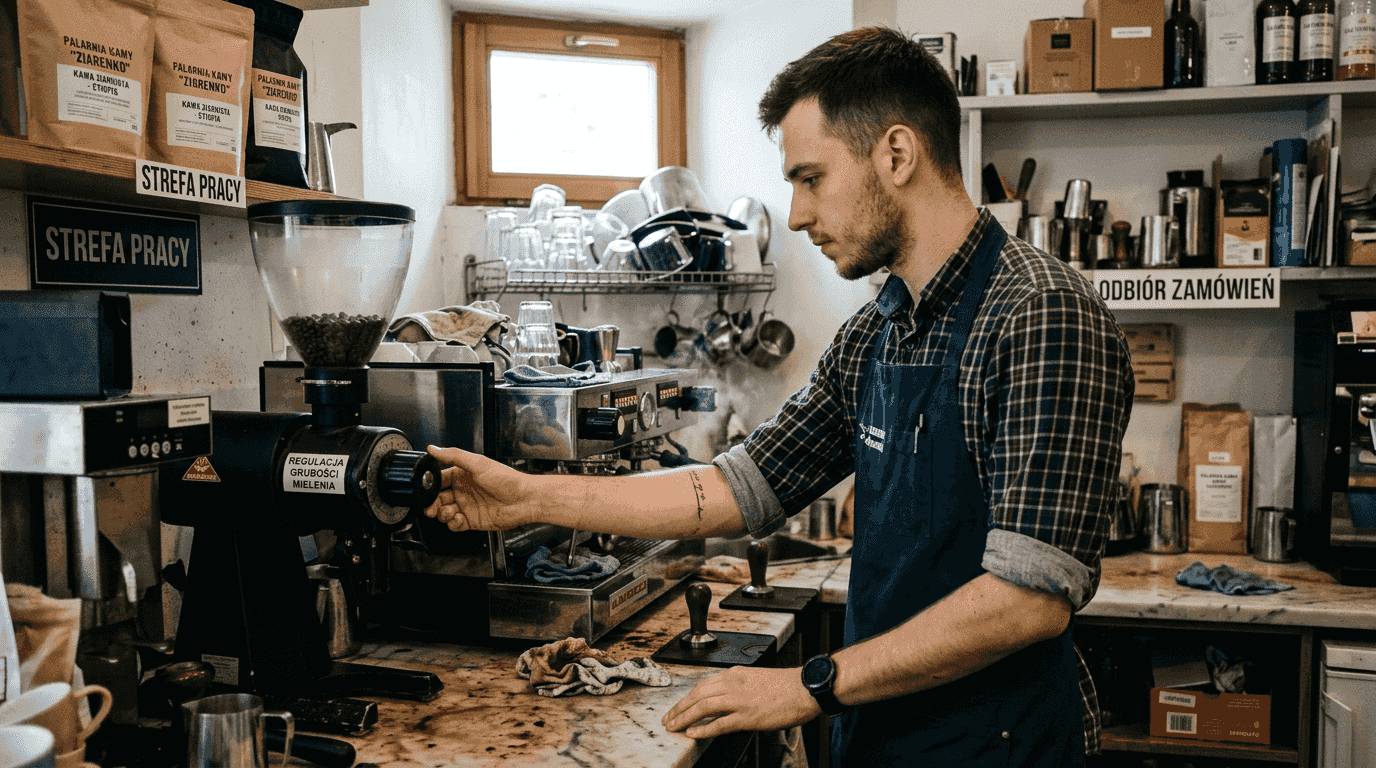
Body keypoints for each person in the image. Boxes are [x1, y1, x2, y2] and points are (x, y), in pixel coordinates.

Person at [424, 26, 1133, 767]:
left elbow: (1028, 602)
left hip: (1001, 749)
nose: (795, 214)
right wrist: (528, 498)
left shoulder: (1042, 313)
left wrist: (809, 684)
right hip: (884, 736)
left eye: (811, 178)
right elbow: (731, 488)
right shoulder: (876, 333)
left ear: (896, 154)